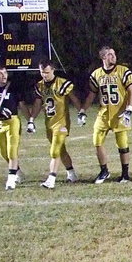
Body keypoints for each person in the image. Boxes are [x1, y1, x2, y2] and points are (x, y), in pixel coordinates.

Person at [79, 46, 132, 184]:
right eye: (110, 54)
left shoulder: (123, 71)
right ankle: (104, 171)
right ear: (103, 57)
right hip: (103, 113)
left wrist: (129, 108)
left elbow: (131, 91)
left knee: (122, 144)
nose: (113, 57)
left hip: (120, 112)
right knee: (97, 141)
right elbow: (91, 94)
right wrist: (82, 110)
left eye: (114, 54)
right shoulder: (96, 74)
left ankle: (125, 174)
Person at [26, 59, 82, 189]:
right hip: (49, 123)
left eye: (46, 72)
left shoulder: (62, 83)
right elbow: (38, 104)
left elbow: (73, 98)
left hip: (61, 122)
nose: (44, 75)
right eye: (42, 72)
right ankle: (72, 174)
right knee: (61, 150)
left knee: (54, 150)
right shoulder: (40, 86)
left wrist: (81, 111)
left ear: (53, 70)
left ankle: (51, 179)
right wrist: (31, 120)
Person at [0, 63, 28, 190]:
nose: (3, 76)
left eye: (5, 73)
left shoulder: (14, 88)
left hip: (12, 121)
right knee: (2, 152)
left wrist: (30, 119)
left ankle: (11, 179)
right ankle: (17, 171)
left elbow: (22, 106)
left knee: (12, 151)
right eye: (0, 74)